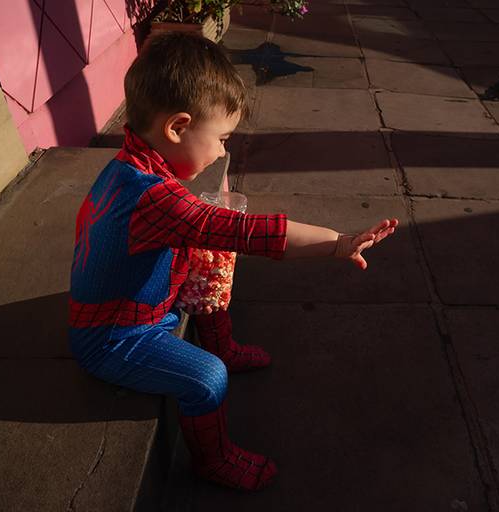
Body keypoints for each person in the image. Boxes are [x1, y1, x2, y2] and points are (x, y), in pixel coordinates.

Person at [67, 31, 398, 492]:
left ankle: (220, 341)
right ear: (177, 127)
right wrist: (339, 243)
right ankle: (213, 458)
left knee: (210, 258)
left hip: (138, 307)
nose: (224, 151)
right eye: (221, 138)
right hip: (115, 336)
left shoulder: (129, 164)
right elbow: (251, 234)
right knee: (206, 378)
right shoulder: (152, 199)